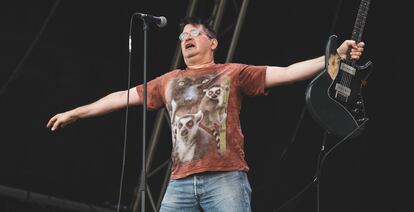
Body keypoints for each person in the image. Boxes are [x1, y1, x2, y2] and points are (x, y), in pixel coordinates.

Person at [47, 17, 365, 211]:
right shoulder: (167, 81)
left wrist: (333, 56)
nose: (186, 37)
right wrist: (77, 112)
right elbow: (122, 96)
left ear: (212, 42)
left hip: (225, 178)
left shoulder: (233, 72)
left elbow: (288, 72)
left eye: (194, 33)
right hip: (180, 182)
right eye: (182, 35)